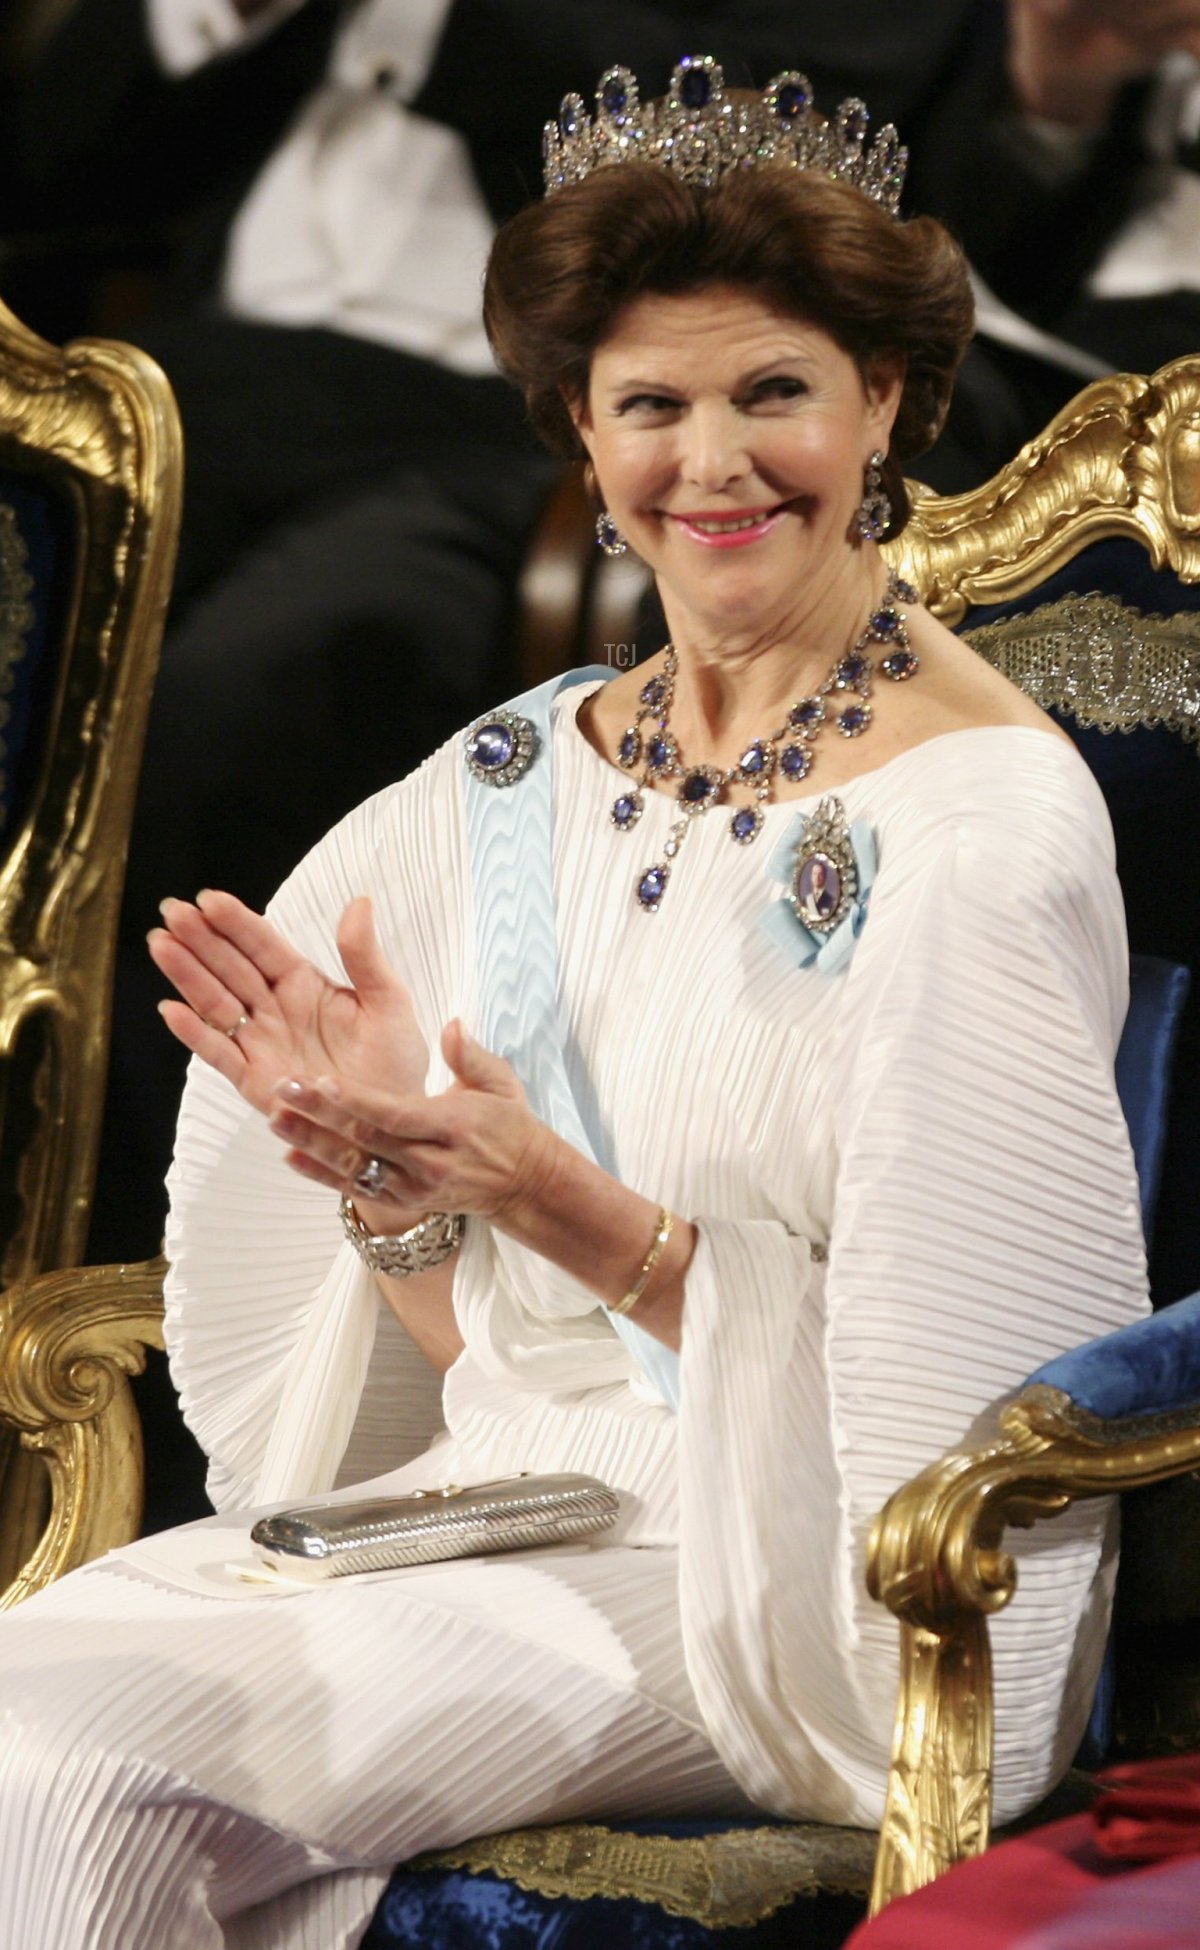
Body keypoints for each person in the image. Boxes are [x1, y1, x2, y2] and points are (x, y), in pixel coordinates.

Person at [0, 60, 1148, 1949]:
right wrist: (386, 1179)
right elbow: (491, 1372)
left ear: (885, 400)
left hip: (764, 1589)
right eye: (653, 406)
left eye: (776, 389)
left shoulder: (979, 819)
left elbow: (964, 1426)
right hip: (489, 1509)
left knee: (83, 1768)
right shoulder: (505, 792)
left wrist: (570, 1207)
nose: (717, 463)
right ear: (578, 433)